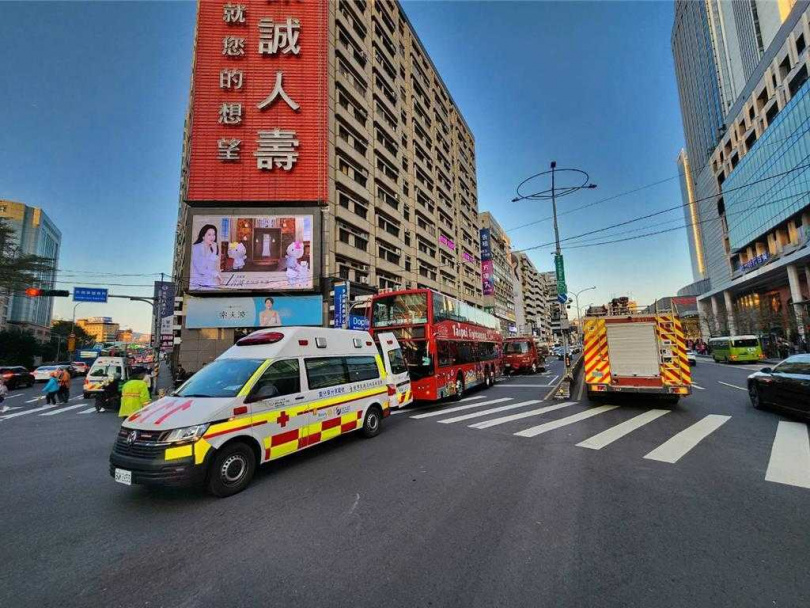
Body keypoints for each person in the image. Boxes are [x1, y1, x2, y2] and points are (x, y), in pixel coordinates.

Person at [190, 224, 222, 290]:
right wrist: (216, 274)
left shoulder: (211, 249)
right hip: (196, 284)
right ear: (203, 236)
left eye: (214, 234)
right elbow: (201, 269)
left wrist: (214, 251)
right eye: (209, 234)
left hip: (208, 282)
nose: (212, 237)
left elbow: (211, 268)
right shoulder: (196, 248)